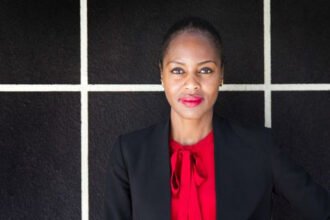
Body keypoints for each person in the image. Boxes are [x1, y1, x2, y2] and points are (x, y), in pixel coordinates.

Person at [104, 17, 330, 220]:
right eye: (177, 70)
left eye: (205, 70)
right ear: (161, 74)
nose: (191, 83)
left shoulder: (259, 146)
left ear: (221, 74)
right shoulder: (130, 153)